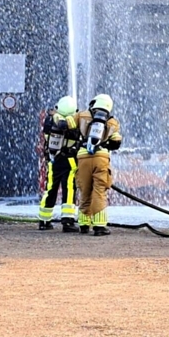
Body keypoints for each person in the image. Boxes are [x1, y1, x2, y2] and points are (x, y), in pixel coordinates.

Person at [68, 94, 122, 236]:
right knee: (99, 191)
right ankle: (99, 226)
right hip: (101, 157)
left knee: (84, 190)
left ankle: (84, 224)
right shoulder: (112, 122)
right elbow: (116, 142)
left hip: (83, 156)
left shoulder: (82, 115)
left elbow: (67, 125)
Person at [38, 96, 81, 232]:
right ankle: (67, 222)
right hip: (69, 159)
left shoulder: (49, 121)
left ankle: (44, 221)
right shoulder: (73, 123)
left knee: (50, 188)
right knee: (69, 189)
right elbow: (78, 138)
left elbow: (45, 137)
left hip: (53, 159)